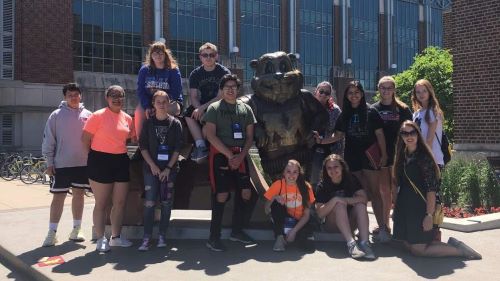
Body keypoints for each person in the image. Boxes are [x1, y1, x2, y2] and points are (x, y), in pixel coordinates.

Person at [392, 121, 481, 259]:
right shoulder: (401, 155)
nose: (409, 136)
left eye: (412, 132)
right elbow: (398, 184)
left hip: (419, 208)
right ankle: (449, 244)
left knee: (418, 251)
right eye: (405, 133)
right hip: (405, 207)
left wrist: (428, 215)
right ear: (401, 136)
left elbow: (431, 189)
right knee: (405, 245)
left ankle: (460, 251)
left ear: (418, 134)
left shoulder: (424, 158)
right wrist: (396, 208)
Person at [202, 74, 258, 252]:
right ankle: (213, 237)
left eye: (234, 86)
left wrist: (240, 156)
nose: (231, 89)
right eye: (227, 86)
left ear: (238, 89)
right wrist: (229, 155)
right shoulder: (214, 108)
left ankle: (237, 231)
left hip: (240, 155)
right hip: (220, 155)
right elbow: (210, 135)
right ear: (222, 89)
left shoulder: (246, 109)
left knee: (247, 193)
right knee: (221, 195)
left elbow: (250, 136)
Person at [328, 81, 388, 240]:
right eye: (350, 93)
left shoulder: (371, 112)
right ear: (346, 96)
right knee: (357, 193)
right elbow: (338, 135)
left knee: (375, 192)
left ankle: (382, 228)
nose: (353, 96)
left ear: (361, 94)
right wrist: (321, 141)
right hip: (351, 158)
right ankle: (357, 228)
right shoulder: (344, 114)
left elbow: (380, 135)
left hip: (369, 157)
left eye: (356, 92)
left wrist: (384, 154)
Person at [82, 85, 137, 253]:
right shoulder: (97, 116)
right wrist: (92, 159)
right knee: (102, 203)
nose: (117, 98)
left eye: (120, 96)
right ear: (107, 98)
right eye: (113, 95)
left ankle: (116, 237)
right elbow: (85, 140)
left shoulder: (128, 118)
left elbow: (130, 139)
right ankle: (100, 239)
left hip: (120, 160)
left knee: (120, 203)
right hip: (99, 160)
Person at [41, 83, 92, 247]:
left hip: (83, 164)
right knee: (58, 198)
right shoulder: (56, 115)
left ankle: (77, 229)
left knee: (79, 196)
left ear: (80, 96)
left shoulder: (89, 115)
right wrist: (49, 162)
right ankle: (52, 232)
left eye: (76, 94)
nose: (73, 97)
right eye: (70, 95)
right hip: (61, 164)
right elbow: (49, 139)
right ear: (65, 97)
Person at [137, 91, 183, 251]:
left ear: (169, 103)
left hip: (169, 170)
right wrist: (153, 166)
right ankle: (147, 236)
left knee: (166, 203)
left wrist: (168, 168)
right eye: (158, 101)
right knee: (149, 203)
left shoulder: (175, 123)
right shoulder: (148, 123)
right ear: (153, 103)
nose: (162, 104)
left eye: (165, 101)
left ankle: (162, 235)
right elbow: (142, 146)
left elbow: (178, 148)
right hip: (151, 170)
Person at [370, 76, 413, 242]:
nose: (386, 91)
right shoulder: (373, 109)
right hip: (381, 156)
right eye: (383, 88)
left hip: (399, 156)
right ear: (378, 89)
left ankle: (401, 225)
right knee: (384, 191)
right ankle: (385, 225)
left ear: (394, 89)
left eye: (389, 88)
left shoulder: (403, 109)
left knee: (397, 189)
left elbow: (411, 132)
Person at [315, 154, 375, 260]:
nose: (332, 170)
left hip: (350, 222)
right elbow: (319, 214)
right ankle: (351, 244)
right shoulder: (322, 185)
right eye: (329, 168)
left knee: (360, 206)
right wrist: (335, 200)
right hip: (331, 225)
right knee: (339, 205)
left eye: (336, 166)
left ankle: (365, 243)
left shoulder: (351, 179)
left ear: (342, 167)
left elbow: (364, 199)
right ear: (325, 170)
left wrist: (344, 200)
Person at [185, 43, 231, 163]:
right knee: (188, 114)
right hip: (203, 103)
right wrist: (198, 108)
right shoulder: (195, 74)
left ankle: (207, 146)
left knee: (207, 124)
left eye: (212, 55)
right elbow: (193, 96)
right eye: (205, 55)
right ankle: (200, 145)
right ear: (200, 57)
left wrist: (203, 109)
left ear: (216, 56)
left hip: (220, 104)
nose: (208, 57)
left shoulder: (224, 72)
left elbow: (221, 96)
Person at [264, 160, 316, 252]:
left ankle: (291, 237)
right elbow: (266, 210)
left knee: (309, 248)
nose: (291, 175)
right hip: (283, 220)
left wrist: (294, 231)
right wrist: (274, 198)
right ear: (284, 172)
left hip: (299, 222)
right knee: (276, 204)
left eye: (295, 172)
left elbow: (307, 215)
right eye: (288, 171)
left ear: (299, 173)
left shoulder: (306, 187)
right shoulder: (277, 185)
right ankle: (280, 237)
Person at [135, 41, 183, 136]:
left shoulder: (173, 70)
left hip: (171, 102)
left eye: (161, 53)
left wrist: (158, 106)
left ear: (165, 54)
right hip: (149, 103)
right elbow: (140, 90)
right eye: (155, 53)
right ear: (151, 55)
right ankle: (141, 145)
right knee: (138, 112)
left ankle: (167, 141)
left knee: (161, 110)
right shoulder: (144, 70)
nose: (158, 55)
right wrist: (148, 106)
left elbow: (176, 91)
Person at [311, 81, 343, 190]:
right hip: (310, 147)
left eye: (327, 93)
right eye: (321, 91)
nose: (323, 94)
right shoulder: (307, 107)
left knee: (331, 176)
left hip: (331, 148)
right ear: (316, 91)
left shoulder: (335, 110)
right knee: (312, 176)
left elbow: (339, 135)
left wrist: (321, 141)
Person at [411, 79, 445, 168]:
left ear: (429, 92)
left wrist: (424, 159)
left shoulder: (433, 111)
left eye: (424, 91)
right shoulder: (416, 114)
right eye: (418, 92)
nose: (421, 94)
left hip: (432, 159)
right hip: (418, 157)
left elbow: (429, 139)